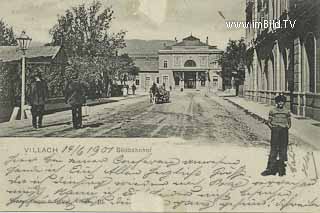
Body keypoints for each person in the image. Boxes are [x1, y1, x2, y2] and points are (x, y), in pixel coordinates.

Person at [261, 93, 291, 176]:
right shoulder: (272, 111)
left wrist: (286, 127)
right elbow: (269, 122)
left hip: (284, 131)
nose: (281, 103)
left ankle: (282, 170)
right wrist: (273, 128)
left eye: (282, 102)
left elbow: (289, 123)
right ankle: (270, 169)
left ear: (284, 103)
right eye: (279, 102)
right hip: (275, 131)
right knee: (274, 149)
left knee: (283, 149)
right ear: (277, 102)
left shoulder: (287, 111)